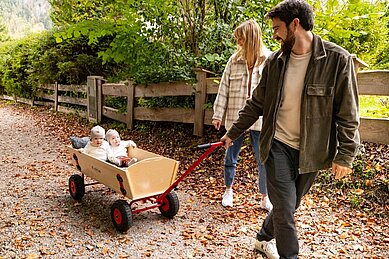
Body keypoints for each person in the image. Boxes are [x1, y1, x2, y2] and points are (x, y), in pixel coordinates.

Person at [220, 1, 360, 258]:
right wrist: (233, 132)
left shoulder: (337, 60)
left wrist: (345, 154)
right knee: (284, 209)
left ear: (295, 24)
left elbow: (348, 113)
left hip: (312, 151)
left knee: (290, 205)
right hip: (277, 145)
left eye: (277, 28)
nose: (274, 34)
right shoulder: (275, 62)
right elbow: (256, 104)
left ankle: (263, 238)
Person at [212, 19, 273, 211]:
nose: (238, 42)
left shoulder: (269, 60)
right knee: (230, 155)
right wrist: (217, 114)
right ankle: (228, 190)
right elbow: (224, 88)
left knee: (263, 158)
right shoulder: (234, 60)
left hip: (260, 119)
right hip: (235, 117)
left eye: (241, 39)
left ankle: (265, 196)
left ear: (251, 38)